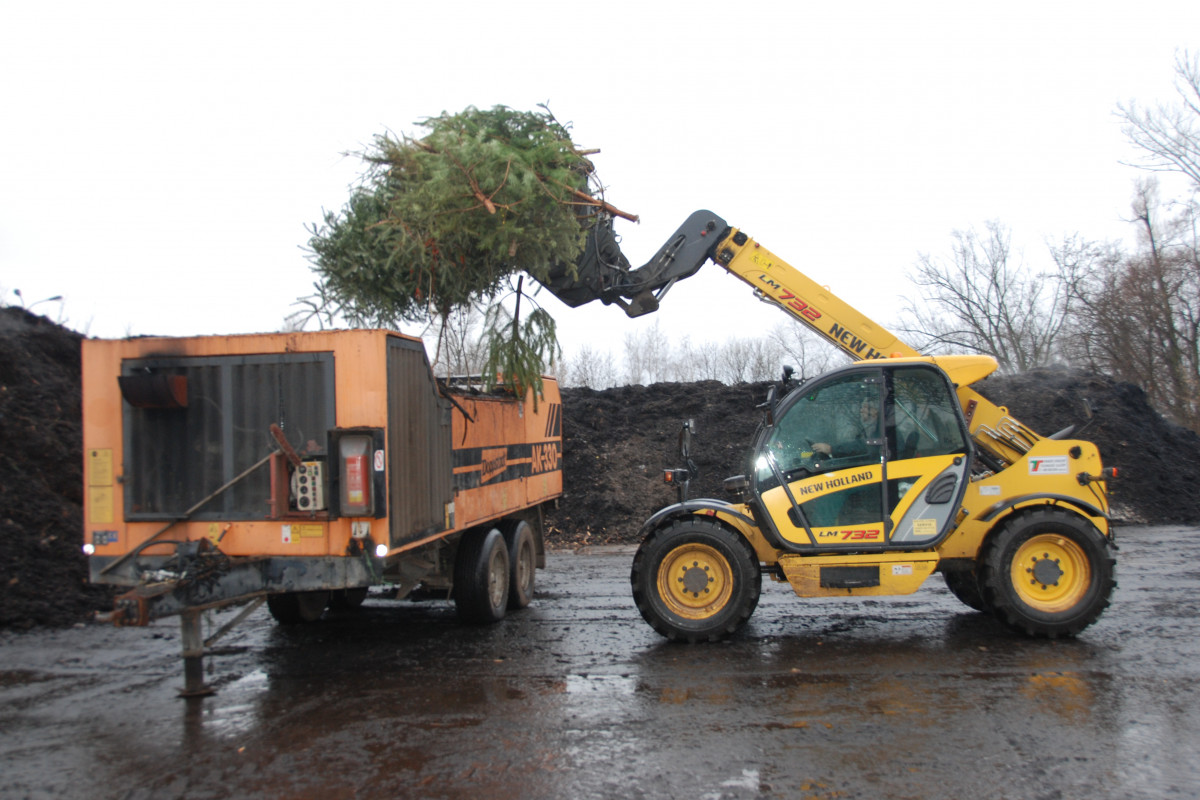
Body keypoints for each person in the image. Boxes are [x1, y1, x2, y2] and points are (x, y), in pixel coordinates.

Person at [812, 396, 879, 460]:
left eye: (865, 407)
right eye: (861, 407)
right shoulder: (864, 429)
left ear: (875, 411)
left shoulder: (877, 430)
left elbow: (861, 447)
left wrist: (831, 449)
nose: (861, 410)